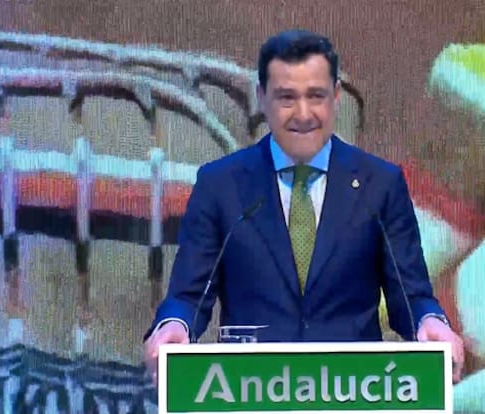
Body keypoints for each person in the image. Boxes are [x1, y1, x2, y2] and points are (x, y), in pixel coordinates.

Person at [143, 29, 465, 383]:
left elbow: (411, 295)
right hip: (254, 389)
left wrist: (430, 321)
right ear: (261, 98)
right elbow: (189, 296)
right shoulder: (220, 185)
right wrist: (173, 325)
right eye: (286, 97)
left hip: (352, 390)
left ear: (336, 97)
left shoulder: (380, 185)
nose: (303, 113)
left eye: (316, 96)